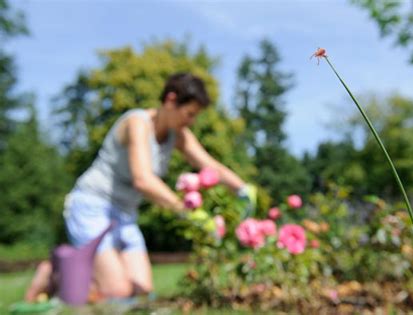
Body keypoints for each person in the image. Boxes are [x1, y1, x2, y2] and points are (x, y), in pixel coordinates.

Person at [25, 72, 252, 302]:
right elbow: (142, 180)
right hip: (92, 206)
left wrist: (243, 189)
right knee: (118, 292)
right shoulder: (137, 123)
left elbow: (209, 166)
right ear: (171, 100)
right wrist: (188, 212)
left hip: (124, 215)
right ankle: (59, 273)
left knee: (143, 293)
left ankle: (79, 275)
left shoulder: (178, 135)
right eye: (189, 113)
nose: (191, 121)